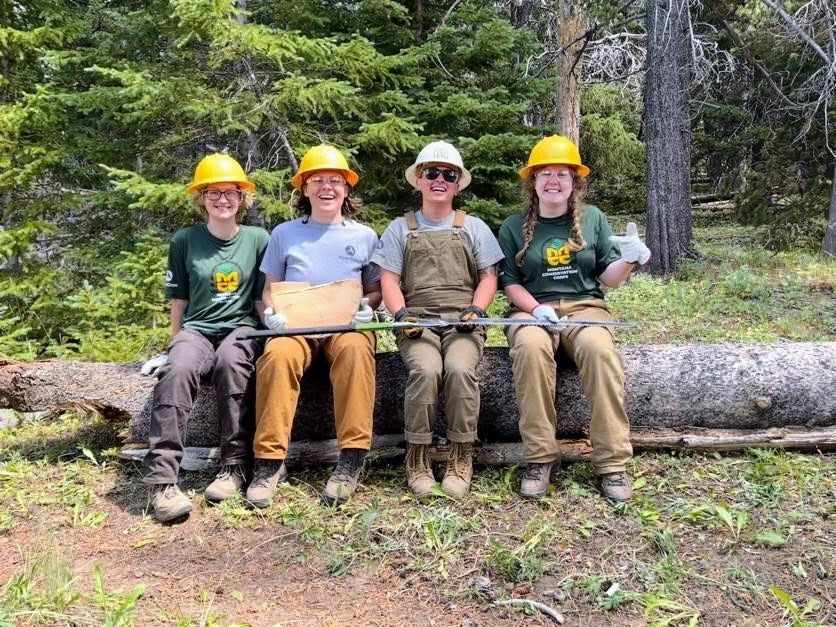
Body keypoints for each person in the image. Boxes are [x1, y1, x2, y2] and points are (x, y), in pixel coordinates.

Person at [497, 134, 651, 502]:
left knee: (600, 352)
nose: (553, 181)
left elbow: (607, 279)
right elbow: (509, 284)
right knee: (531, 349)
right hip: (531, 309)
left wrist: (629, 258)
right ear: (532, 182)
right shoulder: (512, 227)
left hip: (586, 308)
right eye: (545, 173)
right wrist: (535, 310)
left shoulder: (593, 218)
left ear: (574, 181)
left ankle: (612, 463)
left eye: (562, 174)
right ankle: (539, 458)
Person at [246, 144, 381, 508]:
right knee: (275, 357)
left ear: (347, 189)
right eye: (317, 180)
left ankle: (351, 458)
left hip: (345, 327)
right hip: (295, 328)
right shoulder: (284, 234)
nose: (327, 187)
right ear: (303, 189)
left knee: (356, 351)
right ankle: (270, 462)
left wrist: (368, 310)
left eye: (335, 181)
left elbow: (374, 290)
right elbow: (268, 291)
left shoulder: (364, 236)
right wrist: (271, 315)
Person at [140, 153, 269, 522]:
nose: (223, 199)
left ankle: (234, 467)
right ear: (201, 197)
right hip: (197, 328)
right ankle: (163, 481)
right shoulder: (185, 241)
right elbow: (179, 300)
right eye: (214, 192)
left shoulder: (259, 239)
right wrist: (175, 344)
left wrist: (273, 327)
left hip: (242, 326)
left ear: (243, 198)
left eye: (231, 192)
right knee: (178, 370)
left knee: (232, 363)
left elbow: (262, 299)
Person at [373, 141, 505, 499]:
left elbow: (489, 276)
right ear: (419, 179)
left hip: (464, 320)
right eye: (431, 173)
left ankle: (461, 456)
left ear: (457, 182)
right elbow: (388, 279)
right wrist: (401, 314)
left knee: (461, 369)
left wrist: (476, 310)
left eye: (448, 174)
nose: (439, 180)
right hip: (418, 321)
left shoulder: (473, 226)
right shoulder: (400, 228)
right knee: (426, 371)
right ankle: (417, 457)